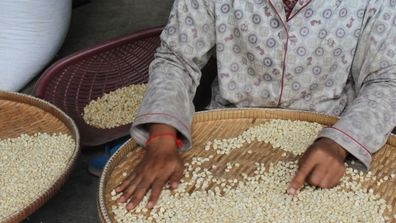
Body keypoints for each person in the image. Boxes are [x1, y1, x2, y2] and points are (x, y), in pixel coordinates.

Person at [115, 0, 396, 210]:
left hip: (330, 135)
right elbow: (176, 58)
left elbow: (387, 80)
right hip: (226, 133)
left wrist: (338, 144)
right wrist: (163, 135)